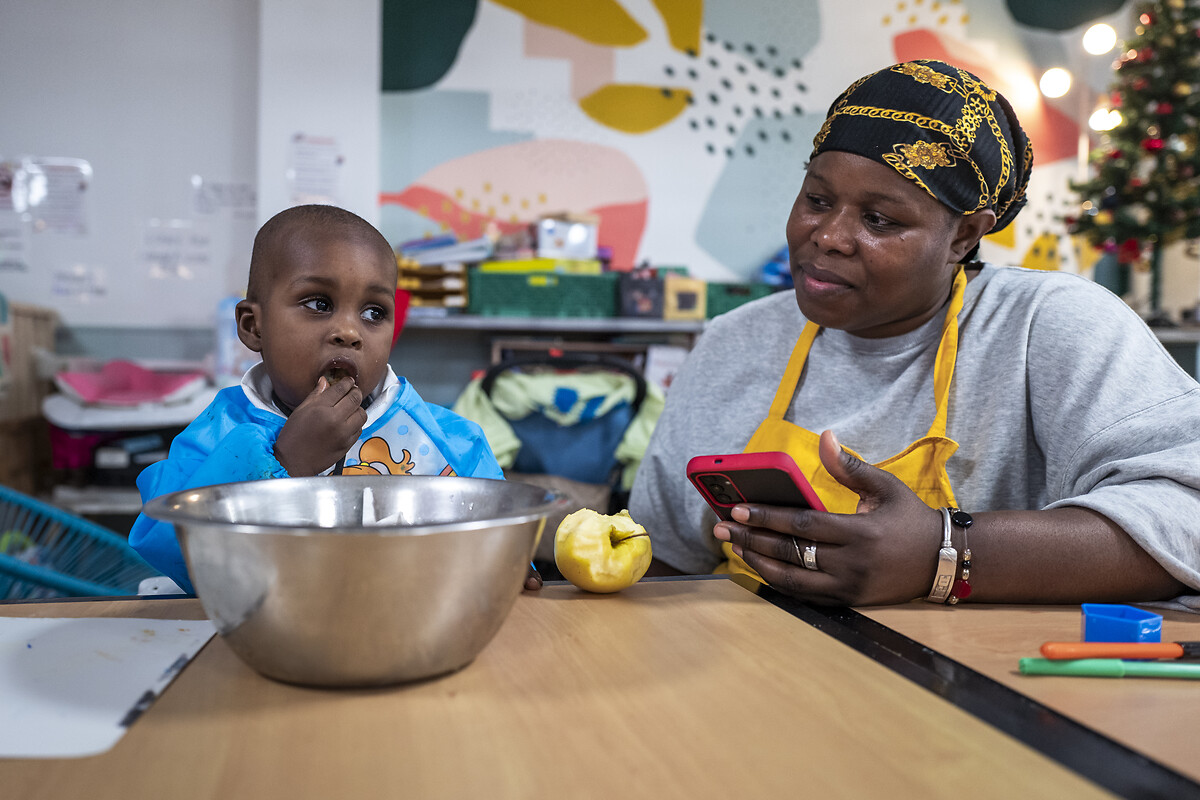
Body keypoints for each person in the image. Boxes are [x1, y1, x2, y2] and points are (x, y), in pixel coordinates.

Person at [631, 60, 1200, 609]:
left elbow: (1187, 521)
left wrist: (943, 553)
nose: (828, 236)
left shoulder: (1045, 327)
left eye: (880, 220)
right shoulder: (735, 342)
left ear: (963, 237)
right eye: (817, 200)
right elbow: (664, 560)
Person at [129, 205, 508, 594]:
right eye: (318, 304)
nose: (349, 331)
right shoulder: (216, 435)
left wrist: (510, 563)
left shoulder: (451, 441)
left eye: (374, 312)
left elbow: (498, 526)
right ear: (253, 326)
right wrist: (285, 462)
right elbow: (167, 545)